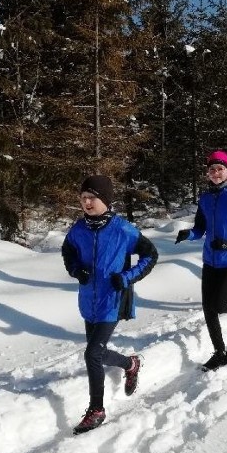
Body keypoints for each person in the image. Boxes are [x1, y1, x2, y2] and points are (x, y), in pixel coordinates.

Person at [62, 175, 158, 435]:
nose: (87, 203)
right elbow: (68, 251)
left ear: (105, 200)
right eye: (83, 198)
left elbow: (151, 255)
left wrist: (126, 277)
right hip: (88, 301)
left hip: (112, 301)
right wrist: (75, 269)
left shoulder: (122, 229)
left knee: (92, 353)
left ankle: (97, 409)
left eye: (92, 198)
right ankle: (130, 364)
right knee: (99, 353)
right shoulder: (79, 229)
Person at [175, 150, 227, 371]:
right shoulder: (205, 198)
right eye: (212, 169)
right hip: (210, 259)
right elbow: (201, 228)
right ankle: (220, 353)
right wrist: (189, 235)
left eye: (220, 169)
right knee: (207, 308)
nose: (215, 173)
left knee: (219, 305)